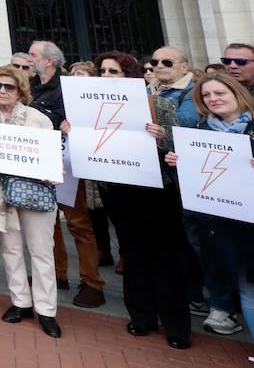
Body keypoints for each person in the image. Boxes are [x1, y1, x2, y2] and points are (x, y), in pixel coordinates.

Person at [87, 51, 191, 348]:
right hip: (118, 189)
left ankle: (176, 325)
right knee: (131, 252)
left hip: (156, 190)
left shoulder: (157, 104)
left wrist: (162, 137)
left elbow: (179, 147)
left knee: (163, 255)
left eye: (114, 72)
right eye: (102, 71)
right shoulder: (90, 107)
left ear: (128, 75)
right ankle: (142, 317)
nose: (106, 76)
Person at [0, 65, 61, 337]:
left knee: (42, 252)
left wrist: (51, 173)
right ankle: (20, 302)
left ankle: (46, 310)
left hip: (33, 190)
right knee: (10, 249)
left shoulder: (38, 119)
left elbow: (50, 155)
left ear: (20, 90)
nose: (2, 91)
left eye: (8, 87)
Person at [165, 71, 254, 339]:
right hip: (220, 222)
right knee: (247, 287)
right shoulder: (197, 133)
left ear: (236, 93)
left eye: (219, 93)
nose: (213, 99)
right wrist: (178, 164)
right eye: (206, 95)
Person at [28, 39, 106, 308]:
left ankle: (92, 282)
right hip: (39, 158)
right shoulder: (31, 86)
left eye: (32, 54)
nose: (28, 58)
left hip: (66, 161)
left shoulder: (70, 87)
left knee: (78, 223)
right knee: (46, 222)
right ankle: (55, 273)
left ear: (49, 60)